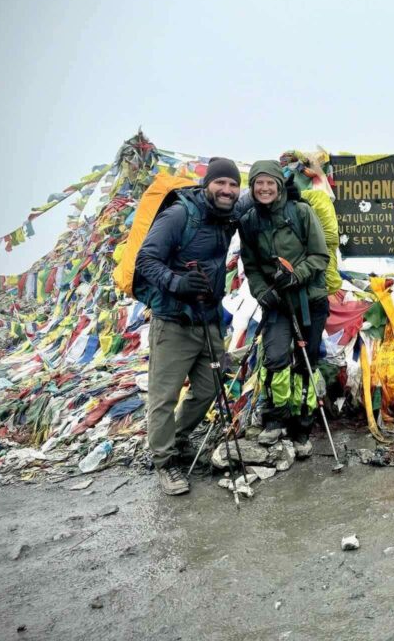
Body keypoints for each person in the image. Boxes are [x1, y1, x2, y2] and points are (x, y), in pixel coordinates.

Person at [134, 157, 243, 495]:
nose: (226, 190)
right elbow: (145, 259)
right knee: (163, 397)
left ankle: (177, 439)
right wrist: (176, 283)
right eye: (220, 183)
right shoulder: (179, 214)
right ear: (206, 184)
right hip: (173, 321)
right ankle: (165, 464)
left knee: (209, 387)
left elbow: (264, 195)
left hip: (208, 319)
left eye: (232, 185)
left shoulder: (229, 215)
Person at [238, 160, 330, 458]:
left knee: (307, 361)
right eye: (258, 183)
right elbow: (250, 266)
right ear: (252, 188)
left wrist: (296, 275)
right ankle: (276, 416)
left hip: (309, 300)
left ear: (279, 185)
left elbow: (320, 256)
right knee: (275, 357)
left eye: (269, 182)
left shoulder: (301, 212)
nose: (264, 188)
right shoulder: (250, 221)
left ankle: (303, 421)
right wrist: (261, 291)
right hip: (276, 302)